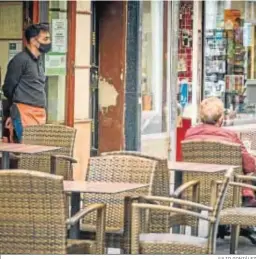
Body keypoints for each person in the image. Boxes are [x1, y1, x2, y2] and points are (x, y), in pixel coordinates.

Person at [185, 96, 256, 205]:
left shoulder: (189, 134)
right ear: (221, 118)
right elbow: (250, 166)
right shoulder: (230, 136)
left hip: (195, 190)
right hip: (228, 192)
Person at [2, 23, 51, 143]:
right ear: (33, 41)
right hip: (23, 113)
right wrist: (10, 113)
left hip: (38, 114)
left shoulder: (38, 61)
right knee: (24, 150)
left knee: (36, 152)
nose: (49, 42)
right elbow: (8, 88)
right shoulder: (20, 60)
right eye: (45, 39)